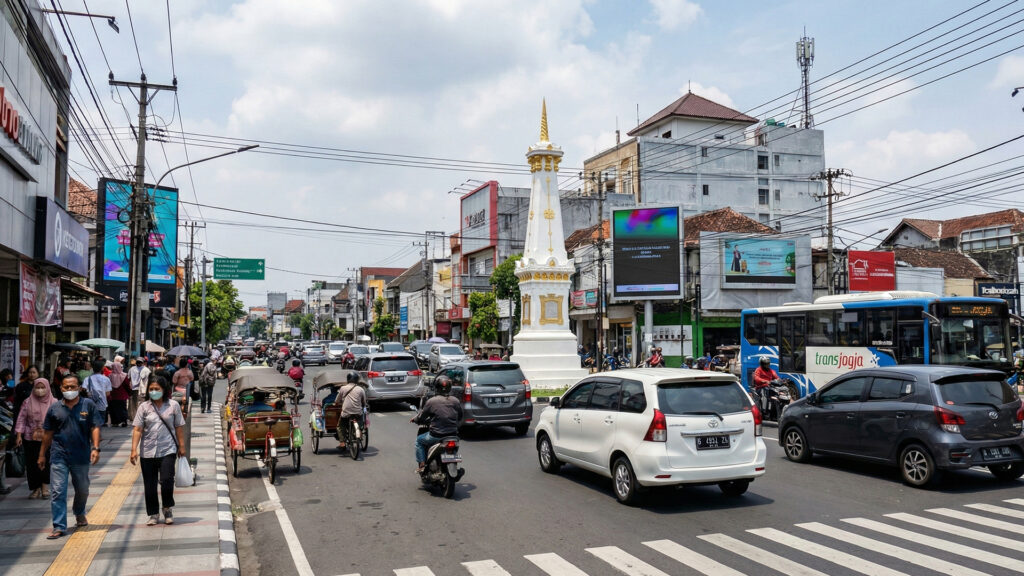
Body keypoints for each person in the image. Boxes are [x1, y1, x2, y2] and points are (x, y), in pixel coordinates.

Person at [40, 374, 102, 539]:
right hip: (59, 455)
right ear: (61, 389)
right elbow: (47, 433)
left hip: (81, 456)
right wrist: (42, 455)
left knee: (82, 489)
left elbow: (95, 427)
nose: (69, 390)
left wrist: (96, 448)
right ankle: (59, 526)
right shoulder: (54, 408)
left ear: (79, 388)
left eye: (72, 387)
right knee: (58, 491)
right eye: (66, 387)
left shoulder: (87, 405)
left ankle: (79, 512)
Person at [130, 375, 185, 526]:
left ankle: (167, 508)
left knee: (167, 480)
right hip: (147, 451)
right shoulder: (144, 407)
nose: (154, 391)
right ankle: (153, 514)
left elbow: (179, 426)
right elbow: (137, 429)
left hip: (168, 449)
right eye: (151, 389)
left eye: (157, 389)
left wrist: (182, 446)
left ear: (164, 389)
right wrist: (133, 450)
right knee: (149, 484)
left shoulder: (173, 405)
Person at [411, 375, 462, 473]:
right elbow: (460, 416)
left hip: (436, 435)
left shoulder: (432, 401)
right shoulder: (455, 401)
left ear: (436, 388)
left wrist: (416, 420)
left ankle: (422, 465)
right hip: (453, 435)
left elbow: (422, 417)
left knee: (419, 441)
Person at [15, 378, 55, 499]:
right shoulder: (27, 402)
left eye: (43, 387)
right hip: (30, 438)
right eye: (38, 387)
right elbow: (21, 419)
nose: (40, 390)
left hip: (47, 438)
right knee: (32, 464)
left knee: (45, 462)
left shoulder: (54, 402)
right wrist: (18, 435)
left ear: (47, 388)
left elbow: (58, 420)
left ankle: (44, 487)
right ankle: (35, 489)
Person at [332, 372, 367, 450]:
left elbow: (337, 400)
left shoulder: (343, 388)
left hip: (346, 413)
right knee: (361, 423)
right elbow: (364, 402)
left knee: (340, 426)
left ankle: (342, 443)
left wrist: (336, 403)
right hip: (358, 413)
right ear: (357, 380)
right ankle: (360, 431)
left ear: (348, 379)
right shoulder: (361, 389)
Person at [82, 359, 112, 426]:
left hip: (89, 405)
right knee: (99, 425)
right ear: (102, 368)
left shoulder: (87, 379)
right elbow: (108, 393)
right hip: (102, 405)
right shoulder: (106, 379)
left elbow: (83, 389)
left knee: (90, 423)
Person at [108, 360, 131, 427]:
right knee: (122, 409)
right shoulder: (124, 376)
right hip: (122, 396)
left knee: (113, 409)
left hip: (113, 396)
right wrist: (129, 393)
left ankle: (115, 422)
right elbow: (127, 385)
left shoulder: (110, 376)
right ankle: (124, 421)